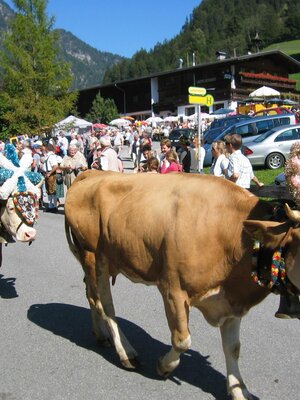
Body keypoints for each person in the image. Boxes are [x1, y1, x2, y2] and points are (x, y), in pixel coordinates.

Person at [43, 143, 58, 212]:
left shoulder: (52, 156)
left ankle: (54, 206)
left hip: (51, 174)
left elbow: (55, 166)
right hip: (47, 174)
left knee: (53, 190)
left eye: (44, 147)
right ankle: (50, 205)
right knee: (48, 190)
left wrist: (50, 172)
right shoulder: (47, 156)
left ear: (47, 148)